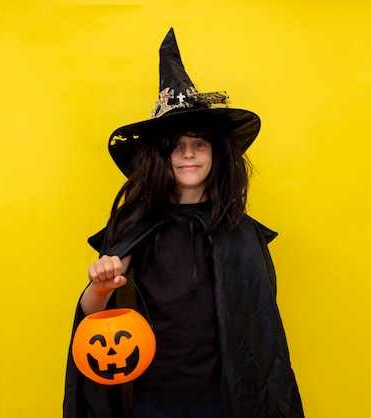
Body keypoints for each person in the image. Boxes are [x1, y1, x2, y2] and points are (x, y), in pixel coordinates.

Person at [63, 28, 304, 418]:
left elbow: (260, 331)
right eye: (176, 146)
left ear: (216, 154)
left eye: (199, 144)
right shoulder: (134, 227)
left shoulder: (241, 232)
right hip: (151, 397)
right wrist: (100, 285)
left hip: (225, 399)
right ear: (160, 157)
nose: (187, 155)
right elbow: (92, 313)